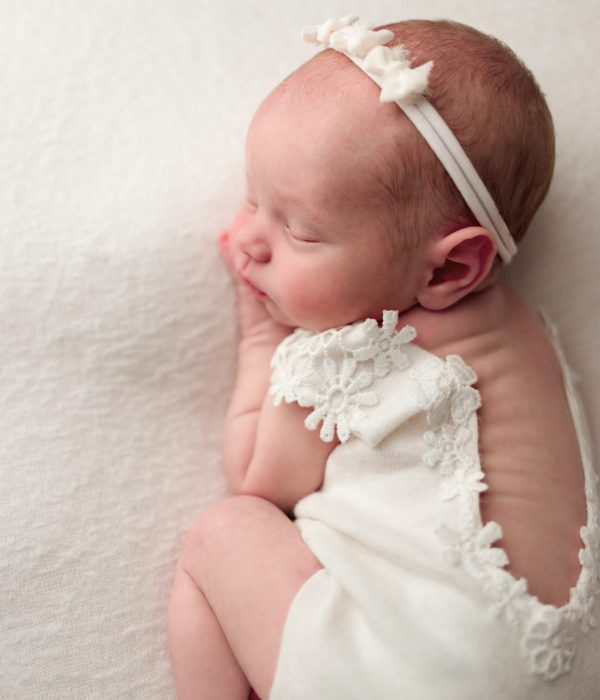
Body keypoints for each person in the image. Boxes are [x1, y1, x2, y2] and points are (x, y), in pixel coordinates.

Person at [167, 16, 599, 700]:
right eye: (256, 198)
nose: (250, 239)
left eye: (299, 230)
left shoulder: (352, 354)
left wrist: (260, 343)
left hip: (420, 665)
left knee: (226, 531)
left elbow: (258, 482)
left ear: (452, 267)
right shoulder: (528, 334)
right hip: (561, 677)